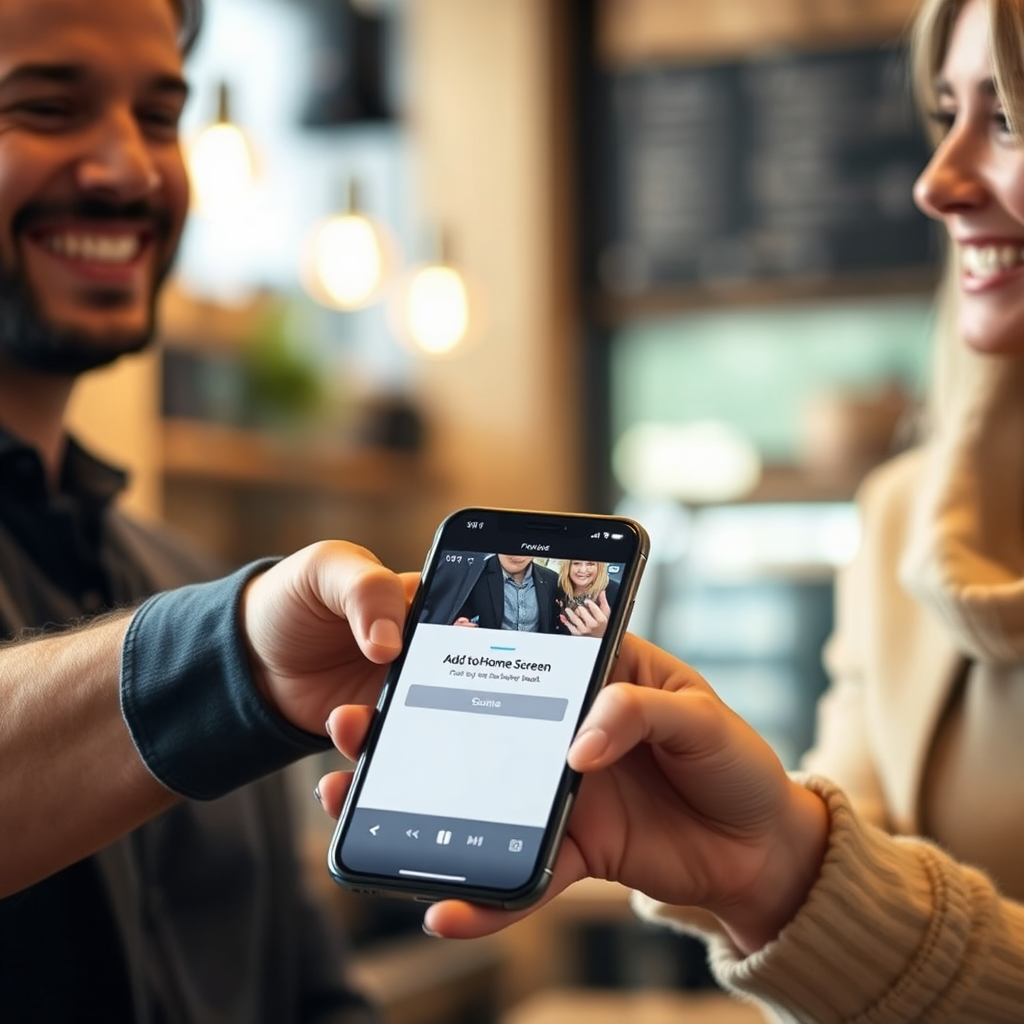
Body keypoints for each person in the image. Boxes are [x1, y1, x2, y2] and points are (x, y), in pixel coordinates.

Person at [316, 0, 1024, 1019]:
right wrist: (754, 862)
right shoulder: (902, 519)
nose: (936, 181)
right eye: (944, 113)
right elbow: (851, 886)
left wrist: (783, 868)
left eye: (1003, 119)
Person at [0, 0, 390, 1019]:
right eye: (46, 105)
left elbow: (310, 993)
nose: (129, 169)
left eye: (159, 115)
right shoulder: (225, 629)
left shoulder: (181, 575)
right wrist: (230, 655)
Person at [452, 553, 560, 632]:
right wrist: (456, 627)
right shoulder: (475, 573)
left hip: (534, 660)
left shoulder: (552, 580)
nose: (517, 555)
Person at [553, 559, 619, 638]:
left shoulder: (615, 591)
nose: (583, 570)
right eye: (576, 563)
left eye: (590, 564)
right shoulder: (557, 587)